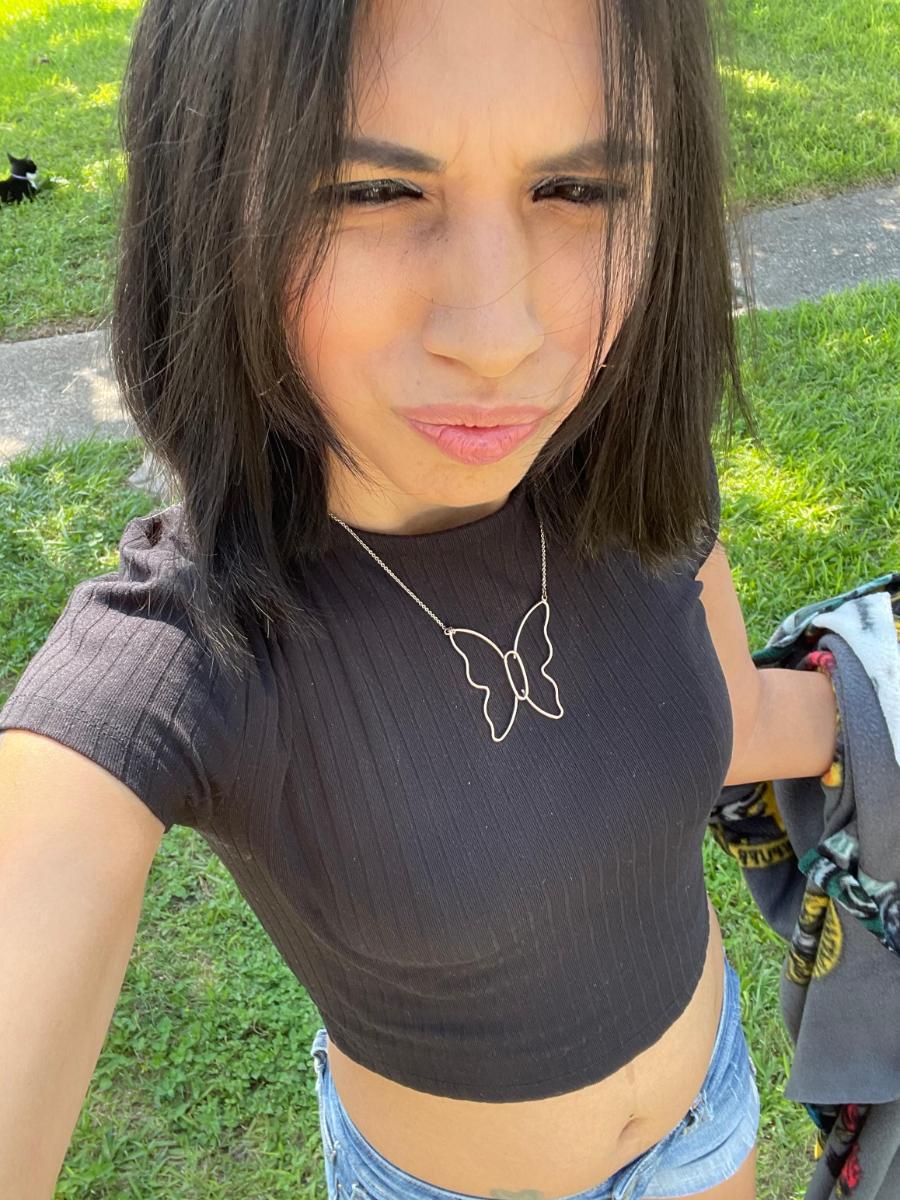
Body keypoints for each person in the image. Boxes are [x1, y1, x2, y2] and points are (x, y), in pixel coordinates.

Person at [1, 0, 839, 1197]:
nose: (497, 337)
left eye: (580, 189)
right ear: (206, 206)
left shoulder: (633, 470)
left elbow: (736, 722)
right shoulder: (182, 656)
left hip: (712, 1120)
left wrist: (869, 702)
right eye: (372, 191)